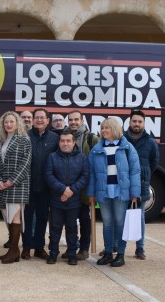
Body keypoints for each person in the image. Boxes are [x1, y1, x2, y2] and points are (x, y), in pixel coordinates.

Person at [87, 118, 141, 268]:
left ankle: (120, 254)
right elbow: (91, 173)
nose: (104, 131)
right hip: (103, 192)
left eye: (107, 128)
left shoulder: (127, 147)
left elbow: (135, 171)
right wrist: (91, 193)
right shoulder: (96, 149)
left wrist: (135, 192)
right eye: (102, 128)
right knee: (107, 223)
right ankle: (109, 253)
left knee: (120, 223)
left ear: (115, 129)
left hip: (121, 192)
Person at [0, 111, 31, 264]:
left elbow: (26, 164)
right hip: (2, 186)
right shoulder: (0, 141)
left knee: (15, 216)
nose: (8, 124)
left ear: (17, 123)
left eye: (11, 122)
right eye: (5, 122)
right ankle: (14, 251)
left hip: (17, 185)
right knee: (8, 217)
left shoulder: (24, 140)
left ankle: (14, 250)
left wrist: (12, 181)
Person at [45, 129, 89, 265]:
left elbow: (85, 176)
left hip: (74, 201)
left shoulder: (82, 157)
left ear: (74, 142)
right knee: (55, 228)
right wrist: (63, 189)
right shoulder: (52, 157)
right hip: (56, 200)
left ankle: (71, 255)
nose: (65, 143)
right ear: (59, 142)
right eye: (62, 141)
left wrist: (72, 190)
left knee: (71, 228)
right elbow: (49, 176)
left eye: (68, 141)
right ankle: (53, 253)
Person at [22, 108, 58, 260]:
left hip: (46, 186)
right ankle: (26, 247)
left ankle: (39, 247)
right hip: (27, 185)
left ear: (48, 120)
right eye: (37, 117)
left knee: (43, 218)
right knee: (27, 218)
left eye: (42, 118)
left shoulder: (55, 138)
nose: (39, 120)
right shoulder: (25, 136)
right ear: (33, 120)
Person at [63, 110, 98, 260]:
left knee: (84, 219)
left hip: (85, 187)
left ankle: (84, 249)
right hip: (68, 186)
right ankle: (72, 247)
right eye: (71, 120)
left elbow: (98, 164)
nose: (73, 122)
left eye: (76, 119)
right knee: (69, 219)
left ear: (82, 120)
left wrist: (94, 187)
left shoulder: (92, 138)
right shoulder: (64, 137)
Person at [124, 110, 159, 260]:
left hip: (141, 184)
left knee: (140, 217)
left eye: (140, 122)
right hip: (123, 184)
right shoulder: (122, 139)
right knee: (120, 217)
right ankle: (116, 246)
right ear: (129, 122)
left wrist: (145, 175)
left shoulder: (150, 142)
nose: (136, 124)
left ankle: (140, 248)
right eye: (134, 121)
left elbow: (154, 162)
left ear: (144, 124)